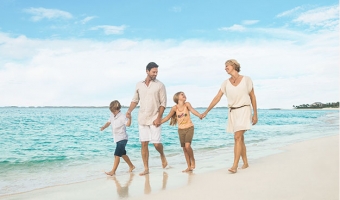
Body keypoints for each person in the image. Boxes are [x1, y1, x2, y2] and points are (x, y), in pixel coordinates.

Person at [202, 59, 258, 173]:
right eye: (225, 66)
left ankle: (235, 166)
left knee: (237, 137)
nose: (225, 68)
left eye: (227, 66)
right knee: (240, 138)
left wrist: (255, 114)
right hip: (233, 112)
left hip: (244, 109)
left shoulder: (247, 79)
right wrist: (207, 111)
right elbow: (217, 98)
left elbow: (252, 96)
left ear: (234, 65)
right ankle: (246, 163)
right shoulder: (225, 83)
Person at [126, 62, 168, 176]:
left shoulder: (160, 85)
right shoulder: (139, 85)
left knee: (156, 144)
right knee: (144, 143)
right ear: (147, 71)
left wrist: (159, 118)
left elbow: (163, 103)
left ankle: (162, 155)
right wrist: (129, 111)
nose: (155, 74)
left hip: (155, 118)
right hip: (142, 118)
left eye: (157, 72)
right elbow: (135, 100)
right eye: (153, 72)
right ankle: (146, 168)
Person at [161, 92, 201, 172]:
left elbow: (193, 111)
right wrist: (159, 122)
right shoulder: (174, 108)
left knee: (187, 146)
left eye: (184, 94)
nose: (184, 95)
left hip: (189, 128)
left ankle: (193, 160)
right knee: (184, 149)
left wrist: (200, 115)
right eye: (182, 94)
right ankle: (189, 167)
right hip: (181, 130)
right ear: (177, 98)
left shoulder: (187, 105)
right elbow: (168, 117)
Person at [100, 100, 135, 175]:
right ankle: (131, 166)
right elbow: (109, 122)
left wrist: (130, 118)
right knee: (122, 154)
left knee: (116, 155)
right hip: (117, 138)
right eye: (112, 111)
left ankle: (113, 171)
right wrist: (104, 127)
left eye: (114, 111)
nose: (113, 113)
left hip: (122, 138)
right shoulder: (112, 115)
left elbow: (128, 124)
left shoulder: (122, 116)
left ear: (118, 109)